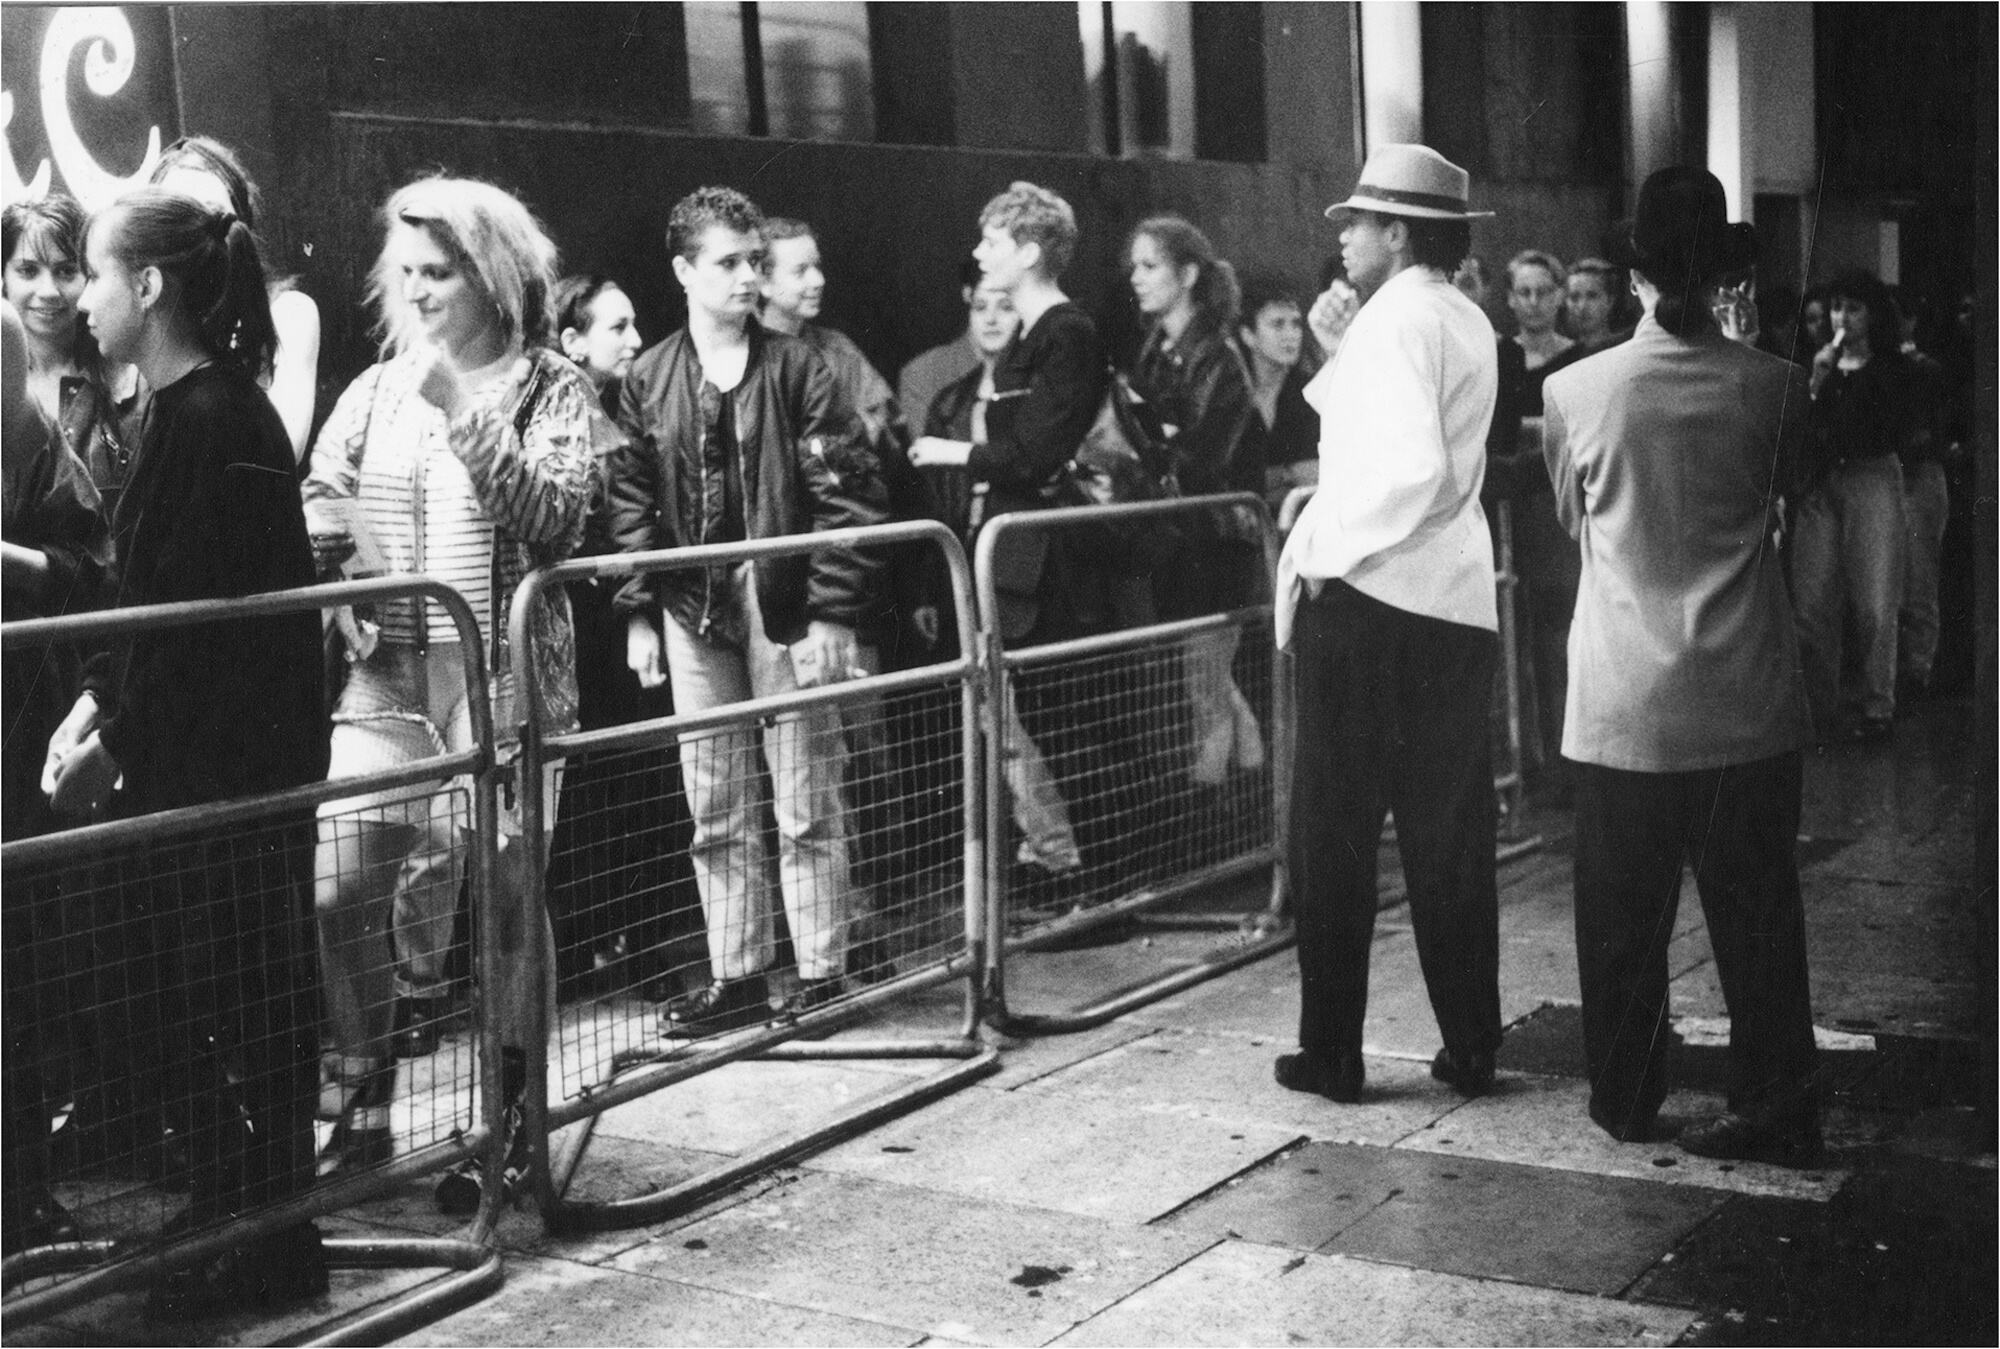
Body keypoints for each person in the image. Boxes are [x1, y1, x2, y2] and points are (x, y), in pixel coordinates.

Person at [50, 188, 327, 1313]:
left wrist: (116, 731)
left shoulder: (210, 417)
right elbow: (148, 597)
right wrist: (100, 709)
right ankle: (240, 1204)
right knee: (190, 989)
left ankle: (265, 1225)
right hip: (208, 770)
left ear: (149, 286)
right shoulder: (185, 412)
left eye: (96, 277)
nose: (82, 297)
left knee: (239, 995)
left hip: (227, 780)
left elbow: (197, 617)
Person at [304, 177, 597, 1187]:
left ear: (494, 275)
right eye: (409, 273)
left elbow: (553, 512)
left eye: (442, 272)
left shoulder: (550, 383)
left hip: (506, 680)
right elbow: (321, 488)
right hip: (390, 678)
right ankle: (366, 1091)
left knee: (508, 901)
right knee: (340, 884)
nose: (421, 293)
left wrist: (465, 410)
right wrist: (344, 580)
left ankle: (514, 1117)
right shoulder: (378, 385)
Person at [1544, 166, 1821, 1164]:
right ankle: (1777, 1097)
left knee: (1620, 921)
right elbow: (1785, 495)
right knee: (1754, 914)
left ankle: (1623, 1093)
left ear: (1633, 269)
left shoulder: (1573, 389)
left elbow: (1566, 515)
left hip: (1622, 701)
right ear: (1726, 272)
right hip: (1744, 694)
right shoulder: (1774, 386)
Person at [607, 186, 887, 1036]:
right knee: (715, 799)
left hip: (785, 602)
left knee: (805, 792)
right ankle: (736, 974)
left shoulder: (799, 367)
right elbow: (628, 500)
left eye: (753, 261)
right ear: (684, 271)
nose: (746, 277)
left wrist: (833, 611)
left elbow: (849, 492)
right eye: (728, 262)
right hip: (696, 605)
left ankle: (821, 971)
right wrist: (638, 611)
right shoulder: (647, 377)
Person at [1274, 144, 1502, 1104]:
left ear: (1399, 233)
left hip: (1369, 607)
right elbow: (1407, 443)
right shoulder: (1457, 315)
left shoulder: (1397, 319)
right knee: (1448, 833)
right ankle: (1471, 1042)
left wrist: (1324, 551)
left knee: (1333, 834)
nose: (1343, 235)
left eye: (1357, 221)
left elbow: (1399, 468)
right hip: (1452, 602)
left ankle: (1332, 1051)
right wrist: (1340, 347)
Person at [909, 181, 1110, 888]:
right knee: (1021, 722)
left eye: (991, 241)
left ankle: (1079, 873)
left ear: (1027, 252)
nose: (978, 252)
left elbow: (1036, 451)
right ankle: (1056, 861)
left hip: (1046, 564)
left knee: (1048, 722)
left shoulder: (1066, 334)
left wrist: (953, 452)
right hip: (1019, 561)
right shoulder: (1039, 336)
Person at [544, 274, 698, 998]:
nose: (636, 340)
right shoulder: (564, 411)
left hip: (613, 619)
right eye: (619, 327)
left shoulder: (624, 408)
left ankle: (624, 942)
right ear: (571, 341)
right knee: (600, 784)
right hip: (591, 625)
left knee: (630, 781)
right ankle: (588, 945)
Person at [1, 299, 106, 1256]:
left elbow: (86, 569)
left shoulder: (29, 440)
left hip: (15, 727)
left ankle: (23, 1196)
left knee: (18, 970)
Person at [1124, 215, 1263, 786]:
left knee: (1205, 681)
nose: (1136, 278)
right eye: (1134, 266)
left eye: (1149, 266)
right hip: (1182, 537)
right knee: (1209, 678)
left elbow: (1204, 456)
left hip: (1213, 539)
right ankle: (1254, 782)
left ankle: (1209, 799)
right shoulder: (1156, 349)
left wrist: (1146, 444)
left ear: (1187, 274)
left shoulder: (1217, 357)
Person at [1791, 268, 1918, 741]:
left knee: (1874, 599)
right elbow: (1802, 423)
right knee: (1811, 601)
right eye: (1837, 308)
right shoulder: (1816, 364)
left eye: (1854, 308)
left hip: (1870, 474)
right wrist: (1818, 382)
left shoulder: (1893, 367)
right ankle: (1820, 707)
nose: (1844, 317)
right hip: (1823, 481)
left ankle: (1877, 704)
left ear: (1872, 314)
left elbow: (1890, 426)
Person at [149, 136, 321, 463]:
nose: (199, 234)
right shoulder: (143, 315)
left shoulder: (288, 313)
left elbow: (282, 452)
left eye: (214, 217)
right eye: (178, 216)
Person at [1491, 250, 1587, 804]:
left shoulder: (1579, 358)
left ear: (1559, 295)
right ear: (1509, 298)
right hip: (1511, 507)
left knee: (1556, 640)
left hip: (1554, 512)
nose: (1533, 303)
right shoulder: (1500, 357)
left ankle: (1564, 760)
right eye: (1522, 293)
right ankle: (1523, 758)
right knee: (1513, 637)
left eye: (1543, 292)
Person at [3, 195, 143, 522]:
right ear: (3, 279)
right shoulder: (4, 389)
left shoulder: (129, 380)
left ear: (89, 278)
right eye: (28, 271)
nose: (49, 290)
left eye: (67, 271)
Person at [1234, 270, 1320, 514]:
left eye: (1295, 324)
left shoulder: (1310, 391)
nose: (1291, 335)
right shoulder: (1232, 392)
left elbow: (1314, 476)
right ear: (1248, 335)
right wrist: (1287, 474)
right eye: (1277, 324)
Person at [897, 254, 986, 440]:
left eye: (1007, 304)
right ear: (969, 294)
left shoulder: (1046, 366)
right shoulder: (923, 373)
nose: (993, 316)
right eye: (983, 304)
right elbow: (931, 461)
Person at [1564, 257, 1629, 353]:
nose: (1582, 306)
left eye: (1592, 296)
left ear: (1610, 301)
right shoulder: (1562, 356)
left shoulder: (1626, 349)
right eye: (1574, 297)